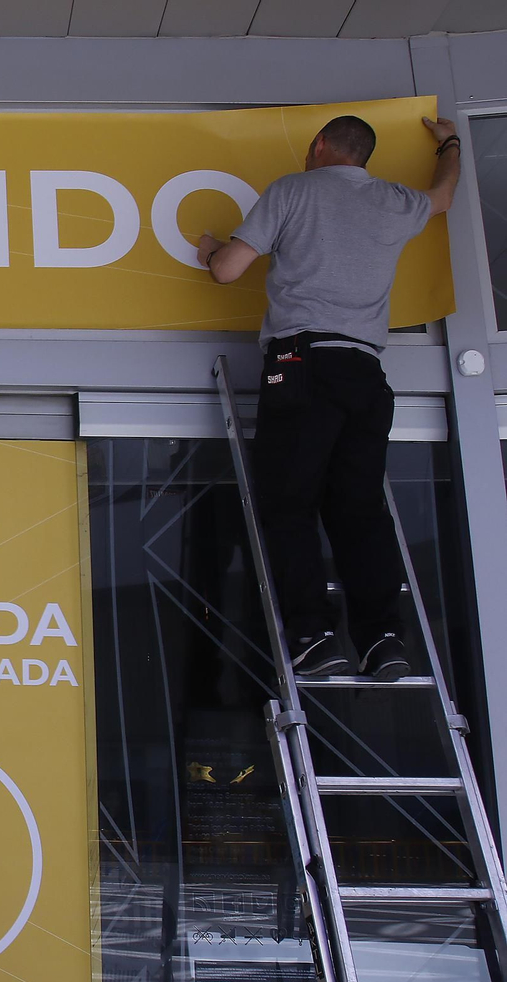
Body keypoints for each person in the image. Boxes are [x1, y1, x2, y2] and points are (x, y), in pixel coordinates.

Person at [198, 114, 461, 681]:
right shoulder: (395, 201)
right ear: (362, 156)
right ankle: (383, 640)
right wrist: (451, 143)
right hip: (365, 371)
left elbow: (227, 271)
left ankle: (314, 637)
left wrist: (210, 249)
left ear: (318, 146)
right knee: (359, 510)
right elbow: (443, 195)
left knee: (289, 503)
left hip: (301, 362)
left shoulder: (293, 189)